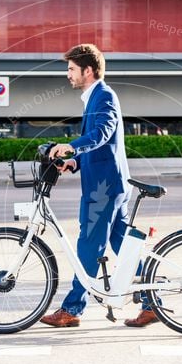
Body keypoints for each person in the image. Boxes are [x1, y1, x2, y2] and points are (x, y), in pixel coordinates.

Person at [39, 43, 158, 328]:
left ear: (87, 70)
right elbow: (99, 143)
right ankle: (152, 303)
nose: (68, 74)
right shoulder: (94, 97)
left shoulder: (103, 96)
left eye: (71, 69)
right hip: (107, 183)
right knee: (122, 246)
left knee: (89, 246)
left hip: (103, 188)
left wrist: (70, 147)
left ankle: (72, 309)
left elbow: (102, 134)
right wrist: (75, 162)